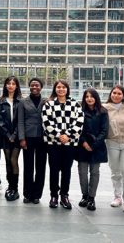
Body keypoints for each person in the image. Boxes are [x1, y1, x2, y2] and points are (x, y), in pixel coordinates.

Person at [42, 79, 84, 210]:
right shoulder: (48, 105)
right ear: (55, 89)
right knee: (54, 170)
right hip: (53, 142)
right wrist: (60, 135)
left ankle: (64, 195)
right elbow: (46, 123)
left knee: (66, 170)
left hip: (70, 144)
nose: (61, 89)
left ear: (67, 89)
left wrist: (68, 136)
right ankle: (54, 195)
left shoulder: (75, 104)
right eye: (58, 87)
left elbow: (79, 122)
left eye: (63, 87)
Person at [103, 85, 124, 213]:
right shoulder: (105, 108)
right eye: (114, 93)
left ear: (123, 95)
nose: (116, 95)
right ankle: (118, 197)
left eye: (119, 93)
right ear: (110, 94)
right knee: (115, 171)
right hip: (112, 143)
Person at [76, 88, 109, 211]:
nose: (89, 99)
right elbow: (78, 129)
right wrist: (84, 142)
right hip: (82, 146)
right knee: (82, 172)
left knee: (95, 172)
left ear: (96, 98)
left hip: (97, 146)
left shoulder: (103, 111)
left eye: (92, 96)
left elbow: (104, 131)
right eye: (87, 96)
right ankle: (84, 195)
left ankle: (91, 198)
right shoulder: (79, 111)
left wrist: (94, 145)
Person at [18, 77, 47, 204]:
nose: (34, 87)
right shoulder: (23, 102)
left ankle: (37, 195)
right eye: (32, 85)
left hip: (43, 138)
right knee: (28, 167)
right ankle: (27, 193)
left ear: (41, 87)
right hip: (28, 137)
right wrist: (22, 138)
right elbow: (20, 121)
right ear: (29, 87)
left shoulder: (46, 102)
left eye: (37, 85)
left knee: (41, 167)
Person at [0, 76, 22, 201]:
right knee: (7, 161)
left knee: (13, 160)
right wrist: (7, 135)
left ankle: (14, 188)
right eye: (8, 83)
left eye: (13, 83)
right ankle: (9, 187)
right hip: (5, 137)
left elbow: (21, 121)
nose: (10, 86)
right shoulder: (0, 101)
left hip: (17, 136)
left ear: (16, 86)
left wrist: (15, 135)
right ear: (5, 86)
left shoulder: (21, 101)